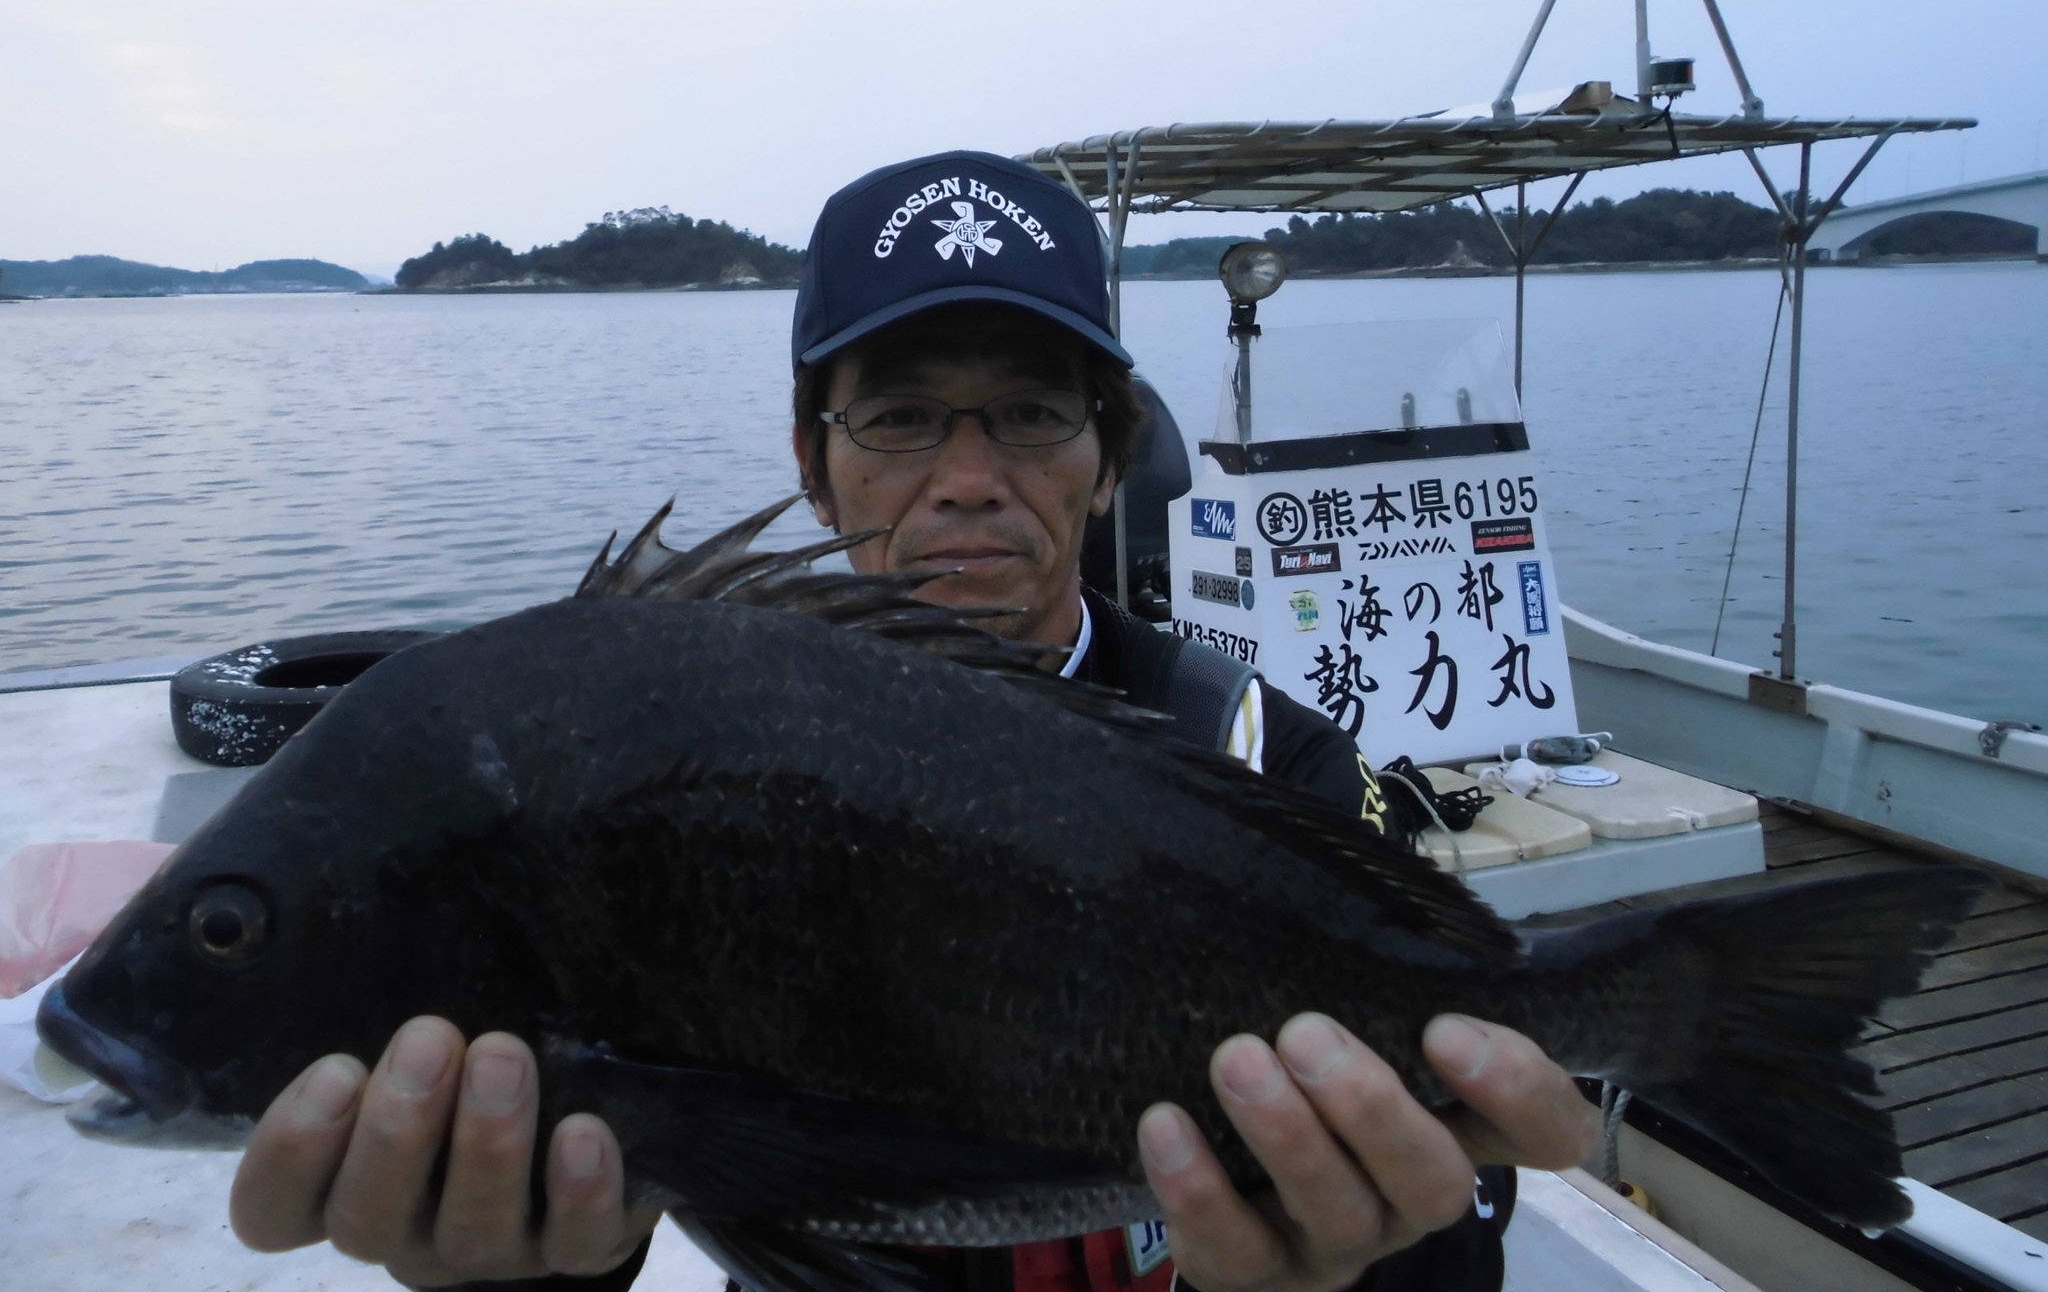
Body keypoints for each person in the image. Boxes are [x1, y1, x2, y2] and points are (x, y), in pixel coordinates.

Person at [227, 152, 1596, 1292]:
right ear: (815, 466)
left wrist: (1360, 1268)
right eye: (897, 417)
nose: (968, 477)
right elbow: (638, 1167)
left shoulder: (1268, 760)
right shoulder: (672, 752)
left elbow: (1457, 1224)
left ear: (1109, 458)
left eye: (1032, 413)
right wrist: (525, 1267)